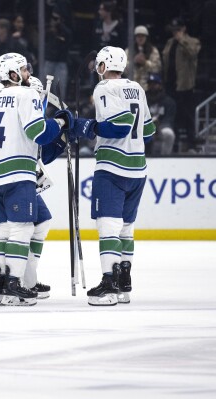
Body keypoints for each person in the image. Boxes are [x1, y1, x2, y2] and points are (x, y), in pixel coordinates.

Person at [0, 53, 71, 306]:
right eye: (24, 70)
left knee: (2, 230)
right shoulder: (26, 95)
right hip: (16, 170)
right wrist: (60, 123)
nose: (28, 73)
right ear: (13, 74)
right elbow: (37, 132)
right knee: (22, 227)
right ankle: (15, 282)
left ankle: (1, 286)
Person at [70, 46, 155, 306]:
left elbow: (118, 127)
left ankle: (109, 282)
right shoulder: (137, 88)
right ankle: (124, 282)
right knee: (126, 228)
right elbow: (149, 130)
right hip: (137, 168)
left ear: (105, 65)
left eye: (99, 64)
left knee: (108, 227)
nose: (97, 69)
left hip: (112, 168)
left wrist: (86, 126)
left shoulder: (104, 88)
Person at [162, 17, 201, 152]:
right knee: (173, 114)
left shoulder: (193, 42)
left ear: (183, 29)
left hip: (185, 85)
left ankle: (191, 144)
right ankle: (175, 143)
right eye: (173, 30)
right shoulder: (169, 43)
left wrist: (182, 40)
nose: (175, 33)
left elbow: (192, 53)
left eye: (177, 30)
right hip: (171, 83)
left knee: (188, 114)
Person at [146, 73, 176, 155]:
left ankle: (165, 157)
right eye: (150, 84)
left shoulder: (168, 101)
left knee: (168, 134)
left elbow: (169, 119)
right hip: (146, 126)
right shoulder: (142, 99)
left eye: (154, 84)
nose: (152, 86)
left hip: (163, 126)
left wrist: (158, 125)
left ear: (160, 85)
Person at [124, 26, 162, 91]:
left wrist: (145, 63)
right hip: (132, 87)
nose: (140, 38)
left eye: (142, 36)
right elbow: (123, 70)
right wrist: (134, 62)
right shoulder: (128, 51)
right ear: (135, 37)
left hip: (148, 87)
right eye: (138, 36)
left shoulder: (153, 51)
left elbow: (157, 68)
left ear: (146, 37)